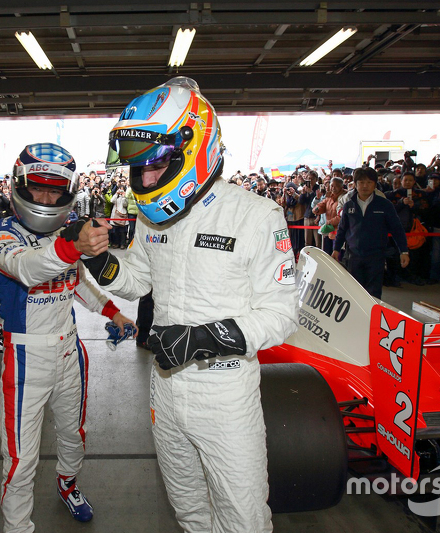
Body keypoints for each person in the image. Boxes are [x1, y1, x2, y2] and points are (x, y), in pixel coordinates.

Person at [81, 77, 298, 532]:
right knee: (190, 513)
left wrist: (203, 339)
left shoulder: (257, 215)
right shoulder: (148, 216)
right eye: (137, 169)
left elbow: (282, 314)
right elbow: (139, 279)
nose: (145, 179)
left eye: (155, 164)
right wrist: (100, 262)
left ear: (194, 147)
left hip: (225, 397)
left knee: (243, 520)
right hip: (165, 392)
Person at [0, 143, 136, 532]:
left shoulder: (65, 239)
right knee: (20, 458)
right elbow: (28, 269)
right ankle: (17, 527)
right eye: (37, 187)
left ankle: (68, 486)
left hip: (70, 350)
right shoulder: (0, 238)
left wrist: (111, 310)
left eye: (55, 190)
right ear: (19, 185)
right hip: (24, 359)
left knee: (74, 435)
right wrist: (72, 246)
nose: (46, 197)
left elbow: (77, 281)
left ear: (68, 192)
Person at [332, 167, 410, 299]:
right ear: (355, 184)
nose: (365, 186)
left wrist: (404, 251)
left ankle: (372, 319)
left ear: (375, 184)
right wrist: (336, 249)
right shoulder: (348, 205)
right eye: (361, 182)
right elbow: (342, 229)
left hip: (376, 256)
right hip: (353, 256)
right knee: (354, 292)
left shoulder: (384, 205)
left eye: (369, 182)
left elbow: (397, 229)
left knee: (373, 293)